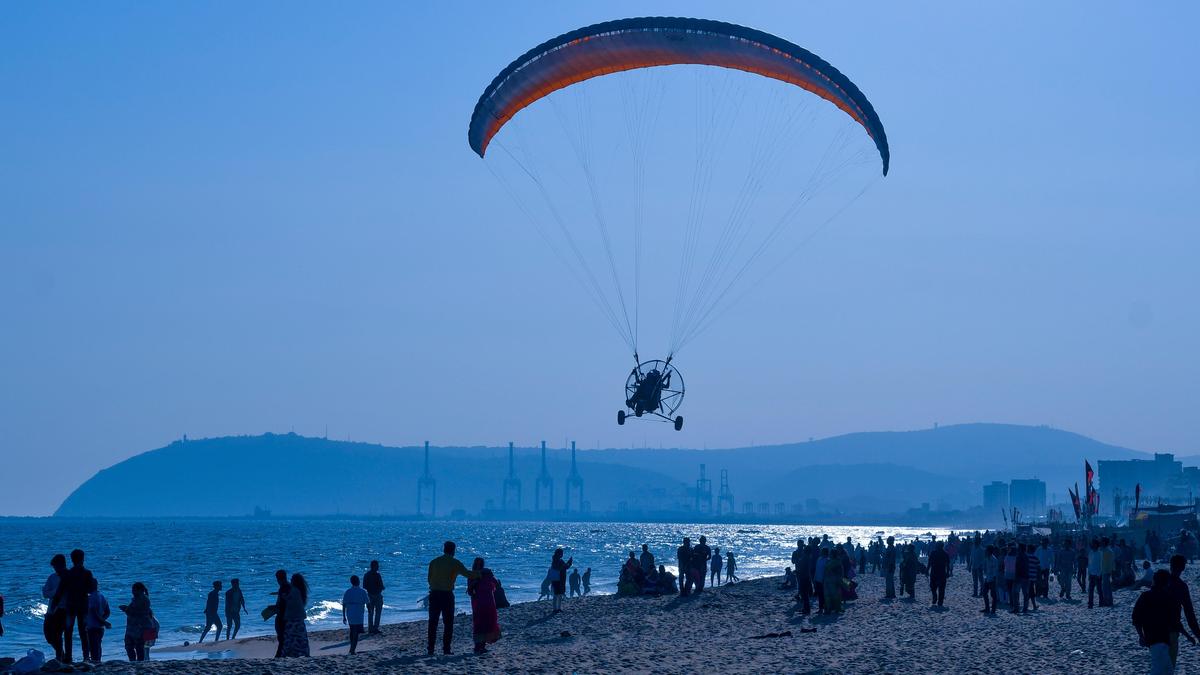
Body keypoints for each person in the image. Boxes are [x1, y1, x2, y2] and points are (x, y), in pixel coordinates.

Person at [1134, 570, 1194, 675]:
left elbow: (1136, 618)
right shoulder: (1168, 598)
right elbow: (1175, 621)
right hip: (1162, 638)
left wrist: (1141, 635)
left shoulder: (1145, 596)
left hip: (1151, 637)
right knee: (1161, 669)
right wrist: (1187, 635)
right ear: (1167, 583)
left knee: (1166, 669)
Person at [427, 540, 479, 656]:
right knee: (448, 623)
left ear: (444, 549)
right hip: (447, 595)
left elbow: (429, 579)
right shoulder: (455, 563)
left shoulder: (434, 562)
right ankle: (446, 649)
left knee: (433, 623)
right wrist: (480, 574)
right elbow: (468, 574)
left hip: (434, 594)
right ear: (453, 550)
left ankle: (430, 649)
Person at [56, 548, 95, 663]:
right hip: (83, 606)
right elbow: (91, 589)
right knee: (83, 632)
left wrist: (54, 606)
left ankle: (68, 657)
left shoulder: (68, 574)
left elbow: (60, 591)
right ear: (82, 559)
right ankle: (86, 657)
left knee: (68, 632)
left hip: (70, 606)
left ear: (72, 560)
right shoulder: (87, 573)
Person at [1168, 554, 1200, 669]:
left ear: (1170, 565)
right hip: (1172, 630)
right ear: (1183, 568)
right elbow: (1189, 614)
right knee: (1169, 668)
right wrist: (1197, 634)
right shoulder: (1181, 586)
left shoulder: (1159, 581)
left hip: (1154, 631)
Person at [467, 557, 501, 655]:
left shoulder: (472, 575)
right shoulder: (488, 573)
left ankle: (478, 646)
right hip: (489, 601)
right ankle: (482, 646)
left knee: (479, 623)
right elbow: (496, 584)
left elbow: (470, 591)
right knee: (488, 622)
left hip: (478, 602)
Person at [118, 582, 153, 662]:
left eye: (134, 590)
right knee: (131, 646)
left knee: (136, 647)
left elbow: (137, 612)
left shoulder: (142, 599)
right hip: (135, 627)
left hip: (139, 627)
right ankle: (135, 661)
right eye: (132, 590)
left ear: (140, 590)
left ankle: (136, 662)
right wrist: (127, 609)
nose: (133, 592)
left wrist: (126, 609)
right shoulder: (140, 599)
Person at [42, 553, 68, 662]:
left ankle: (60, 656)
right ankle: (61, 653)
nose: (55, 569)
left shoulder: (68, 576)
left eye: (56, 566)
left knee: (57, 634)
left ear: (62, 564)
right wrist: (56, 592)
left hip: (63, 610)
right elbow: (45, 593)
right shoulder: (52, 577)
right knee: (48, 634)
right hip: (51, 610)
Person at [282, 573, 310, 657]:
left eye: (292, 579)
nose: (290, 581)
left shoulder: (294, 590)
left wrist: (284, 598)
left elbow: (291, 603)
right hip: (300, 617)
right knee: (301, 637)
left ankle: (291, 653)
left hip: (293, 617)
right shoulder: (300, 591)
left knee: (291, 637)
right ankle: (304, 653)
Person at [84, 577, 111, 663]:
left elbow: (94, 612)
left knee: (93, 647)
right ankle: (98, 661)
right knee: (98, 645)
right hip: (100, 627)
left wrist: (103, 621)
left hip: (92, 626)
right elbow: (107, 611)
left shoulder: (91, 598)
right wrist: (103, 620)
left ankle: (96, 662)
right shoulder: (102, 596)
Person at [342, 575, 369, 655]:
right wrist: (370, 611)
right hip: (359, 613)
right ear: (358, 581)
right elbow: (368, 603)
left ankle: (352, 648)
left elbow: (344, 605)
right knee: (356, 632)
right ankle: (352, 649)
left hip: (350, 613)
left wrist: (344, 616)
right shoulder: (363, 591)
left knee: (352, 630)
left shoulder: (348, 592)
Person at [363, 560, 385, 635]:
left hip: (369, 595)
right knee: (378, 612)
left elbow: (364, 586)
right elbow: (381, 586)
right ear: (374, 566)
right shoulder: (377, 575)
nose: (378, 567)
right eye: (377, 566)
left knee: (370, 612)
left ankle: (370, 628)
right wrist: (380, 589)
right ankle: (375, 628)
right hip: (377, 595)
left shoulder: (366, 575)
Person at [272, 569, 290, 658]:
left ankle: (279, 655)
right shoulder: (289, 587)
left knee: (281, 638)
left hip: (282, 615)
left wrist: (274, 608)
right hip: (286, 615)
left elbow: (282, 602)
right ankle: (281, 654)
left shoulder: (283, 588)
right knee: (283, 638)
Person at [550, 548, 573, 612]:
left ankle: (557, 608)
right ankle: (556, 608)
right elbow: (564, 567)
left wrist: (568, 563)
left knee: (558, 594)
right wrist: (569, 562)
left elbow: (564, 567)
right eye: (561, 553)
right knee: (558, 594)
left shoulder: (555, 560)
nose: (562, 554)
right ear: (559, 554)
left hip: (556, 579)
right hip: (559, 579)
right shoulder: (558, 561)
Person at [928, 541, 950, 607]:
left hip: (936, 572)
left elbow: (929, 562)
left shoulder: (935, 553)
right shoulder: (944, 554)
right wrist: (948, 572)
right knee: (938, 587)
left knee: (936, 587)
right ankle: (938, 600)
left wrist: (927, 569)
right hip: (940, 572)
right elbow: (948, 565)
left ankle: (937, 599)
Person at [981, 545, 999, 614]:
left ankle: (993, 609)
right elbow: (985, 568)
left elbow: (995, 570)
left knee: (993, 595)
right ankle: (987, 608)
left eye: (987, 550)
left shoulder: (994, 559)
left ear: (989, 551)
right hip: (987, 578)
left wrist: (993, 579)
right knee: (984, 593)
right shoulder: (986, 558)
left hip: (992, 579)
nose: (985, 552)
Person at [1024, 543, 1040, 612]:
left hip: (1026, 576)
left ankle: (1027, 605)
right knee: (1031, 591)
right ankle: (1033, 605)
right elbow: (1038, 567)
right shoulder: (1035, 558)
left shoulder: (1025, 557)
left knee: (1028, 591)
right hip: (1033, 577)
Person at [1088, 540, 1103, 609]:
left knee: (1099, 589)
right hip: (1091, 574)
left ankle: (1101, 603)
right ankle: (1090, 604)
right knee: (1090, 590)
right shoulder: (1090, 553)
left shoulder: (1100, 553)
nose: (1093, 545)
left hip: (1097, 574)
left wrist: (1099, 573)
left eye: (1094, 544)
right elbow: (1089, 564)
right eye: (1092, 544)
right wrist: (1089, 573)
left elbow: (1101, 564)